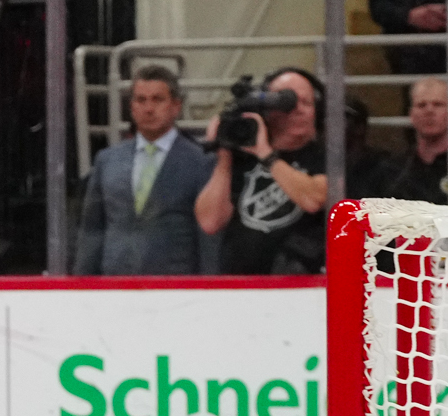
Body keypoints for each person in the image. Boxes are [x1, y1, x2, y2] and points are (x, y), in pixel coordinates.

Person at [76, 64, 213, 276]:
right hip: (115, 283)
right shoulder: (107, 160)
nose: (149, 109)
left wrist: (210, 290)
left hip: (174, 287)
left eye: (158, 99)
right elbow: (92, 230)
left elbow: (207, 237)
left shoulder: (200, 162)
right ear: (131, 107)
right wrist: (81, 284)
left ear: (176, 106)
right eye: (141, 100)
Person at [195, 66, 328, 275]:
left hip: (302, 287)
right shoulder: (243, 157)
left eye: (307, 103)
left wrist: (266, 154)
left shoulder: (326, 158)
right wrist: (224, 156)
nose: (299, 110)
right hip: (241, 287)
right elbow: (210, 222)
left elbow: (313, 199)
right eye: (289, 102)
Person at [380, 77, 448, 204]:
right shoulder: (393, 170)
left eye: (438, 104)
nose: (429, 111)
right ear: (411, 114)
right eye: (421, 105)